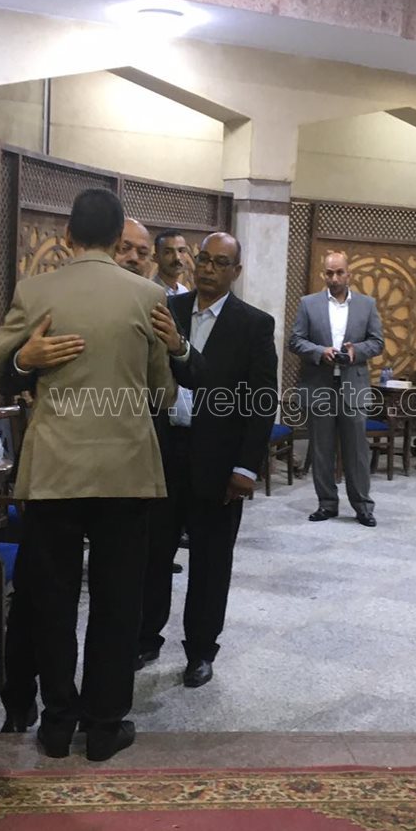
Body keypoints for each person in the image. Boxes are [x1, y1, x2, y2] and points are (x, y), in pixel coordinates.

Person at [0, 188, 175, 763]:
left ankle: (56, 722)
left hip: (55, 472)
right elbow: (163, 393)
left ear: (67, 236)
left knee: (52, 599)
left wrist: (26, 363)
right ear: (119, 240)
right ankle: (104, 725)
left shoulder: (35, 292)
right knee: (119, 601)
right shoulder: (149, 296)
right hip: (126, 470)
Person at [145, 233, 277, 687]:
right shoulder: (168, 310)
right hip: (164, 453)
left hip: (218, 461)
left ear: (235, 272)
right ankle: (145, 637)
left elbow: (262, 400)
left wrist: (246, 467)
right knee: (153, 553)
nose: (207, 268)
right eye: (202, 259)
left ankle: (201, 650)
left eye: (220, 262)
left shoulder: (253, 324)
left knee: (210, 561)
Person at [289, 250, 385, 527]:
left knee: (357, 451)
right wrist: (320, 351)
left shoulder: (367, 305)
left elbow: (377, 342)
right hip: (319, 385)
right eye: (329, 273)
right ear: (324, 275)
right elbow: (295, 340)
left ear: (348, 274)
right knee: (322, 450)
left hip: (353, 386)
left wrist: (357, 351)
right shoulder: (308, 304)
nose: (334, 278)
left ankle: (363, 507)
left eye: (339, 272)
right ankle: (327, 504)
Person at [154, 228, 192, 295]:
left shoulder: (184, 291)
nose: (177, 257)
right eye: (168, 252)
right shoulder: (149, 290)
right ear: (156, 257)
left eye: (181, 251)